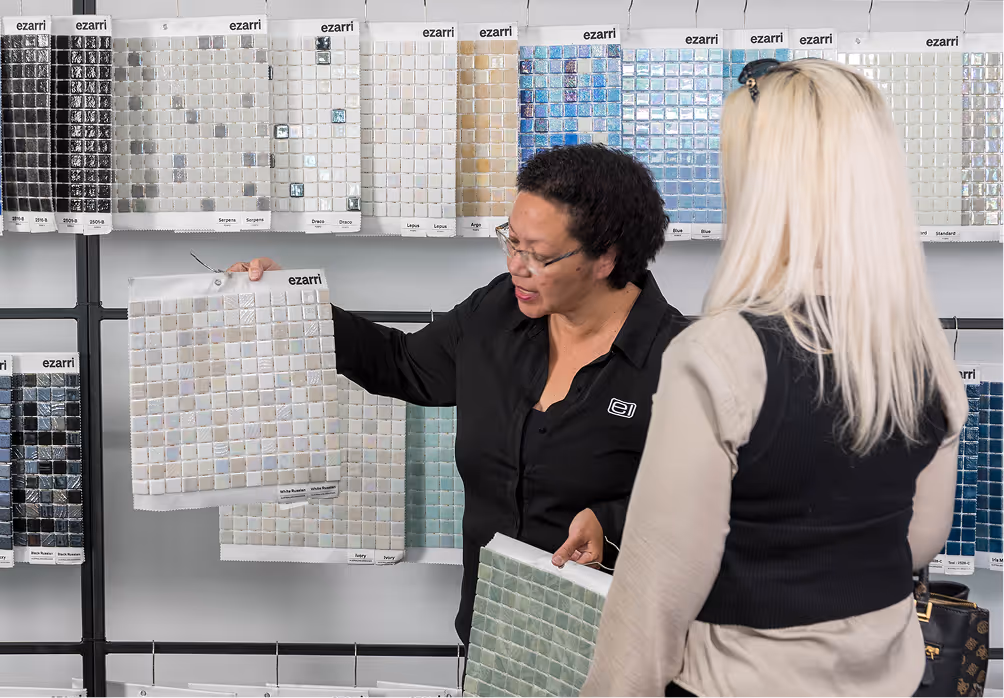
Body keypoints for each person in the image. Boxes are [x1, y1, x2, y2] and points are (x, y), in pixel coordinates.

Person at [581, 59, 968, 697]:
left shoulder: (717, 354)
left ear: (763, 187)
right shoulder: (922, 353)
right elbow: (918, 539)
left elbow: (654, 595)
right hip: (898, 679)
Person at [229, 144, 690, 646]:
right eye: (510, 243)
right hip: (492, 637)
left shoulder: (682, 363)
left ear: (606, 257)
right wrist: (293, 307)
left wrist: (613, 524)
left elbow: (721, 510)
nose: (517, 265)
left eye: (538, 255)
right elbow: (402, 364)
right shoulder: (498, 311)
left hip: (622, 655)